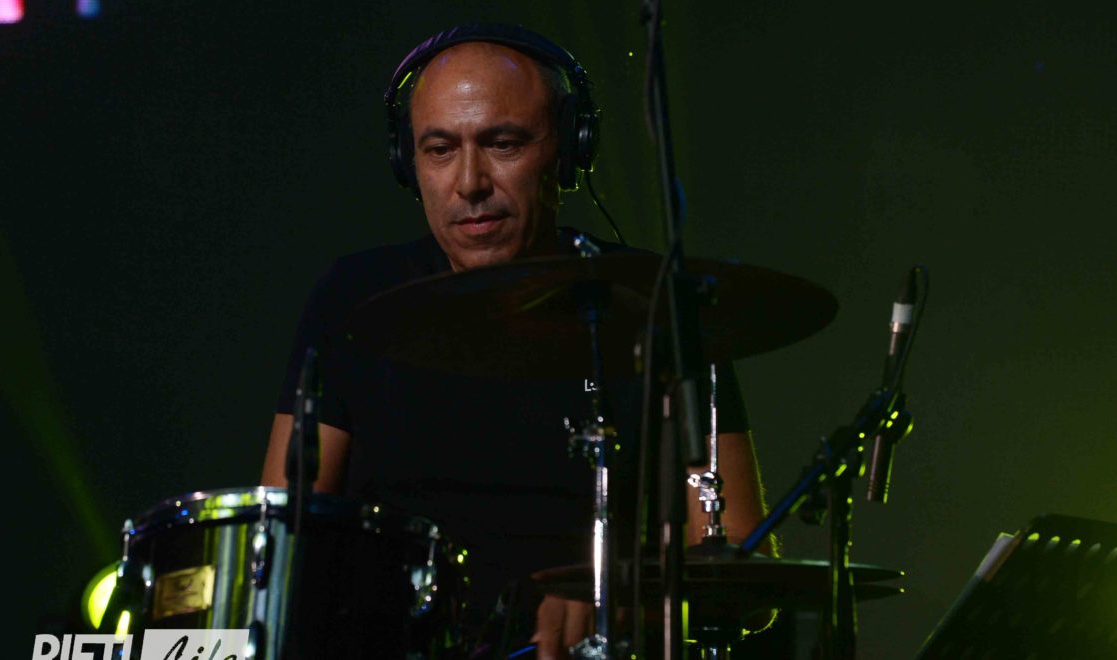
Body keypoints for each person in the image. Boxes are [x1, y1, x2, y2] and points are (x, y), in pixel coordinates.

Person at [260, 24, 773, 659]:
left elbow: (739, 566)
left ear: (568, 152)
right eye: (439, 150)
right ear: (406, 162)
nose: (469, 182)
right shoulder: (355, 297)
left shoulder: (655, 306)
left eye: (502, 144)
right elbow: (276, 545)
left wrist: (625, 600)